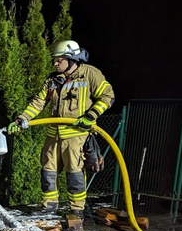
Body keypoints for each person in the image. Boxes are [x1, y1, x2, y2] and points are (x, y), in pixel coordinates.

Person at [8, 40, 114, 218]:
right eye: (55, 60)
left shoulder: (89, 75)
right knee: (48, 172)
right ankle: (49, 207)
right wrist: (22, 119)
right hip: (53, 136)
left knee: (75, 175)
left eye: (59, 60)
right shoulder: (53, 80)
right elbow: (39, 102)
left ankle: (76, 210)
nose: (55, 63)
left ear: (72, 59)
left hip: (76, 136)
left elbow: (108, 96)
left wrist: (90, 116)